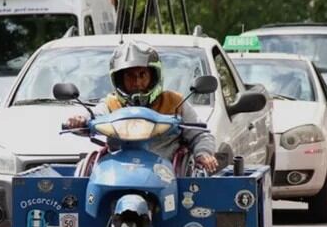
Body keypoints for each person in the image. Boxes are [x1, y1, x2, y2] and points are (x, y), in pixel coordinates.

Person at [65, 41, 218, 173]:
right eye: (130, 76)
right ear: (119, 79)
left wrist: (203, 153)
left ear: (153, 76)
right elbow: (95, 115)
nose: (137, 82)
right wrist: (80, 120)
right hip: (118, 171)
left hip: (167, 172)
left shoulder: (175, 101)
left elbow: (200, 134)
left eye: (142, 74)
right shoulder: (111, 104)